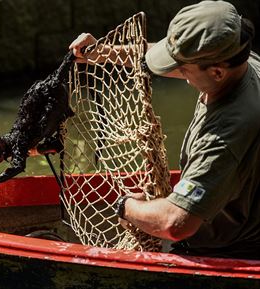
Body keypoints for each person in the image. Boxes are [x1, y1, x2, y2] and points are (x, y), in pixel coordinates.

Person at [69, 0, 260, 260]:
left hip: (228, 252)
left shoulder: (226, 133)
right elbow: (169, 58)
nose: (176, 71)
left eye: (182, 69)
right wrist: (101, 53)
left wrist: (126, 206)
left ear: (216, 72)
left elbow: (176, 223)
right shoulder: (241, 58)